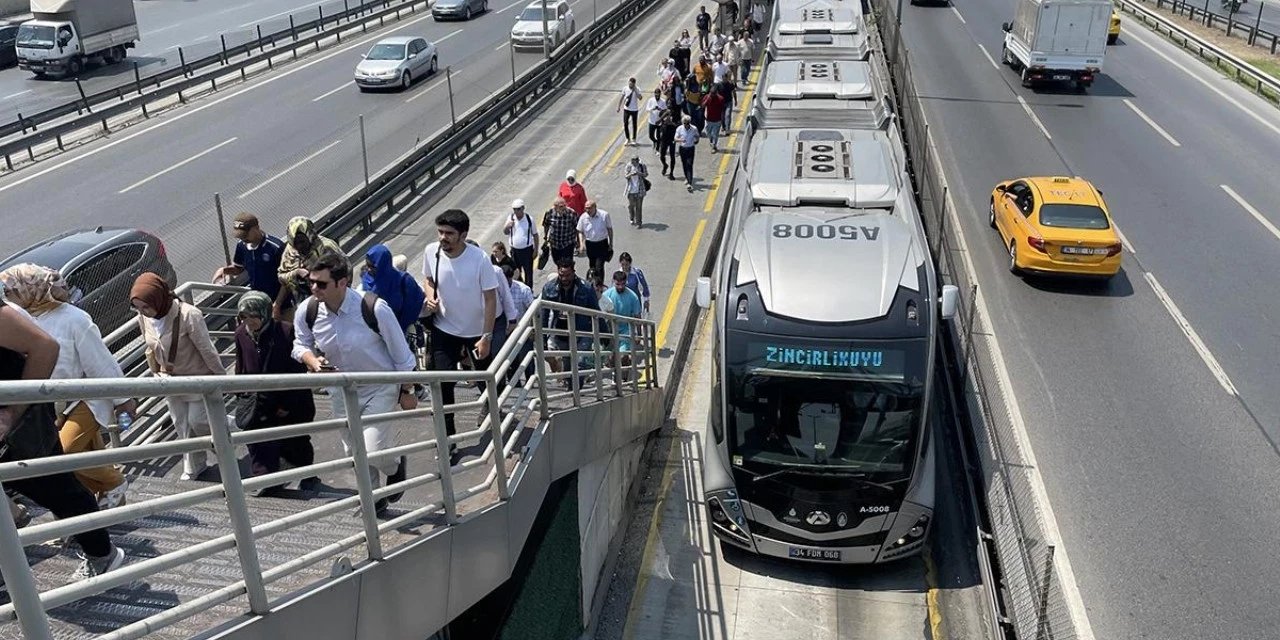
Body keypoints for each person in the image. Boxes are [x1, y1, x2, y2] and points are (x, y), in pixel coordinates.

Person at [0, 289, 127, 579]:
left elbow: (45, 346)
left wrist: (12, 411)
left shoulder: (72, 319)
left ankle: (101, 553)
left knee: (54, 487)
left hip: (20, 419)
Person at [293, 252, 416, 516]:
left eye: (321, 284)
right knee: (353, 451)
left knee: (371, 448)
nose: (314, 288)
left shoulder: (373, 308)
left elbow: (402, 355)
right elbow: (300, 344)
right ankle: (373, 499)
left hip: (379, 386)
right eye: (311, 283)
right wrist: (312, 361)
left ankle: (395, 467)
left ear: (342, 283)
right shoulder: (309, 310)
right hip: (340, 389)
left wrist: (407, 390)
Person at [0, 265, 130, 509]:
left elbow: (100, 361)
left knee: (67, 453)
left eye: (10, 291)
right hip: (53, 403)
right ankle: (91, 510)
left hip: (83, 398)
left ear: (30, 290)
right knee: (71, 458)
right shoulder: (23, 319)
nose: (6, 297)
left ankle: (114, 483)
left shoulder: (74, 318)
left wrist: (123, 399)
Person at [421, 210, 499, 465]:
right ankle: (448, 440)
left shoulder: (480, 259)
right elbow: (428, 278)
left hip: (476, 332)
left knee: (486, 379)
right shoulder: (431, 251)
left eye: (449, 234)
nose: (443, 238)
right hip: (444, 331)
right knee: (442, 386)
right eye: (441, 232)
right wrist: (430, 295)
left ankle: (494, 411)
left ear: (463, 235)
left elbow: (490, 298)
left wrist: (486, 336)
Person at [132, 273, 225, 481]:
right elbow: (151, 346)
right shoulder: (143, 318)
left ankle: (228, 439)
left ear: (158, 298)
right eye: (137, 308)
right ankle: (194, 465)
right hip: (170, 381)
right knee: (182, 424)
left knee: (199, 421)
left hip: (197, 379)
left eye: (146, 307)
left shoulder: (188, 315)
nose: (142, 312)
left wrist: (221, 379)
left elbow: (207, 350)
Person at [233, 291, 319, 497]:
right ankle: (266, 479)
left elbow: (297, 370)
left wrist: (286, 405)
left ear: (264, 314)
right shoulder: (240, 334)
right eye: (244, 317)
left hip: (290, 397)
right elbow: (240, 366)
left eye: (253, 316)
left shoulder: (285, 331)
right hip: (257, 399)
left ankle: (307, 475)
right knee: (257, 438)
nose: (249, 322)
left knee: (295, 439)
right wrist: (240, 394)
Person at [540, 259, 600, 381]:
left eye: (568, 275)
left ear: (574, 272)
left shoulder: (586, 288)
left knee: (580, 363)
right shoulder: (549, 288)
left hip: (582, 332)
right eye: (562, 275)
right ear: (558, 272)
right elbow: (544, 314)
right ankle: (571, 390)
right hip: (562, 332)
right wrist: (543, 339)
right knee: (567, 366)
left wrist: (603, 336)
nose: (564, 279)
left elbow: (596, 312)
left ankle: (578, 387)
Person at [275, 216, 341, 321]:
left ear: (310, 237)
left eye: (302, 242)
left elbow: (344, 271)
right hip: (304, 300)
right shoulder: (290, 252)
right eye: (295, 242)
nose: (299, 246)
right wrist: (296, 273)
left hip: (331, 298)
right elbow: (282, 277)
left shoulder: (326, 247)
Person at [212, 212, 285, 300]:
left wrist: (278, 304)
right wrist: (223, 270)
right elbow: (238, 268)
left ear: (256, 228)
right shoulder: (242, 246)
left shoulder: (275, 247)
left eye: (245, 235)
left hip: (282, 304)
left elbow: (287, 279)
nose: (243, 238)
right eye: (241, 236)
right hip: (259, 301)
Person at [360, 244, 427, 335]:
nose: (368, 269)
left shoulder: (405, 281)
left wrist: (397, 332)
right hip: (373, 333)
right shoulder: (366, 279)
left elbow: (412, 308)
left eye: (373, 266)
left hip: (400, 331)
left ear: (383, 265)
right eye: (367, 265)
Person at [602, 270, 643, 373]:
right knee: (611, 358)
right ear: (613, 281)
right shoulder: (606, 295)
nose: (620, 287)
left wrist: (639, 334)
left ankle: (624, 377)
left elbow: (637, 316)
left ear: (626, 282)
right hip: (610, 331)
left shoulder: (633, 297)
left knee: (623, 356)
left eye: (623, 284)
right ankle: (615, 377)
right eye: (617, 284)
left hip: (626, 331)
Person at [502, 265, 536, 384]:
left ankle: (530, 380)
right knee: (510, 360)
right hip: (506, 330)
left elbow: (533, 310)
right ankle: (514, 383)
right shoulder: (497, 289)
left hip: (523, 329)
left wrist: (532, 329)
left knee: (526, 356)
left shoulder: (523, 289)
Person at [503, 199, 539, 285]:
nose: (516, 211)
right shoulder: (511, 218)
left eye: (518, 209)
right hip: (515, 250)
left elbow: (535, 235)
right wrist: (507, 226)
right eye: (514, 209)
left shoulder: (529, 219)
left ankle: (529, 290)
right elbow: (505, 232)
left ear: (523, 208)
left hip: (527, 250)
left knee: (528, 273)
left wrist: (536, 250)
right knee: (516, 272)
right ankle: (519, 289)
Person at [577, 201, 614, 276]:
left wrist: (611, 243)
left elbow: (609, 229)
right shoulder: (583, 217)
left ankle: (600, 285)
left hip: (602, 244)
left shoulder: (604, 215)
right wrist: (581, 244)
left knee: (599, 267)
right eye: (586, 208)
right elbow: (580, 231)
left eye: (589, 208)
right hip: (590, 244)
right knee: (592, 266)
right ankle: (593, 283)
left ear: (595, 207)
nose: (588, 210)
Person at [542, 197, 580, 266]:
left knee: (567, 264)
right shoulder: (549, 213)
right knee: (557, 262)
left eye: (564, 205)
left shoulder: (572, 213)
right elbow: (546, 225)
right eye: (561, 206)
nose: (564, 208)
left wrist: (578, 240)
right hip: (555, 244)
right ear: (555, 207)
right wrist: (545, 236)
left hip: (568, 243)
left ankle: (568, 275)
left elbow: (577, 227)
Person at [617, 252, 652, 316]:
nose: (624, 267)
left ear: (630, 263)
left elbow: (644, 286)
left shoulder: (637, 273)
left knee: (637, 321)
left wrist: (646, 300)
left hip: (636, 302)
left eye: (626, 264)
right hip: (622, 303)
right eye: (622, 264)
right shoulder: (617, 274)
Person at [675, 114, 701, 192]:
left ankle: (689, 183)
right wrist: (680, 140)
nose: (686, 125)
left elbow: (697, 136)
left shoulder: (694, 129)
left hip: (690, 148)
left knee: (689, 164)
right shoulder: (679, 128)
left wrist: (696, 140)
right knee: (684, 164)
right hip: (682, 148)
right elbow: (675, 138)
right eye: (685, 123)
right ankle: (687, 177)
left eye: (687, 123)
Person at [623, 156, 649, 227]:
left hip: (640, 190)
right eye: (632, 161)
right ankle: (632, 217)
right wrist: (631, 174)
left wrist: (639, 173)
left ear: (637, 161)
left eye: (634, 162)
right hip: (630, 190)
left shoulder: (642, 166)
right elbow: (626, 176)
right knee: (631, 206)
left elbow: (646, 174)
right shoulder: (628, 166)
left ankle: (639, 222)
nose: (632, 163)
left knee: (639, 207)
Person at [617, 77, 642, 145]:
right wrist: (619, 107)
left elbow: (640, 98)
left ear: (634, 84)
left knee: (634, 125)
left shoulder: (637, 89)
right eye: (629, 83)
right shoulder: (625, 88)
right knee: (625, 123)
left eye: (632, 84)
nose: (630, 85)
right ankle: (627, 139)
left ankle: (634, 139)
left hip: (634, 109)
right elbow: (621, 98)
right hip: (626, 109)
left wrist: (635, 90)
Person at [645, 87, 667, 153]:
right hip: (652, 121)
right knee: (651, 136)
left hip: (659, 122)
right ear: (654, 94)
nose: (657, 96)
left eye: (658, 95)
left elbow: (665, 110)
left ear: (660, 94)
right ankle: (655, 141)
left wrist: (660, 109)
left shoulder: (663, 101)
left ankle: (657, 149)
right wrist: (653, 108)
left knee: (659, 136)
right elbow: (647, 109)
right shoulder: (651, 100)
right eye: (656, 94)